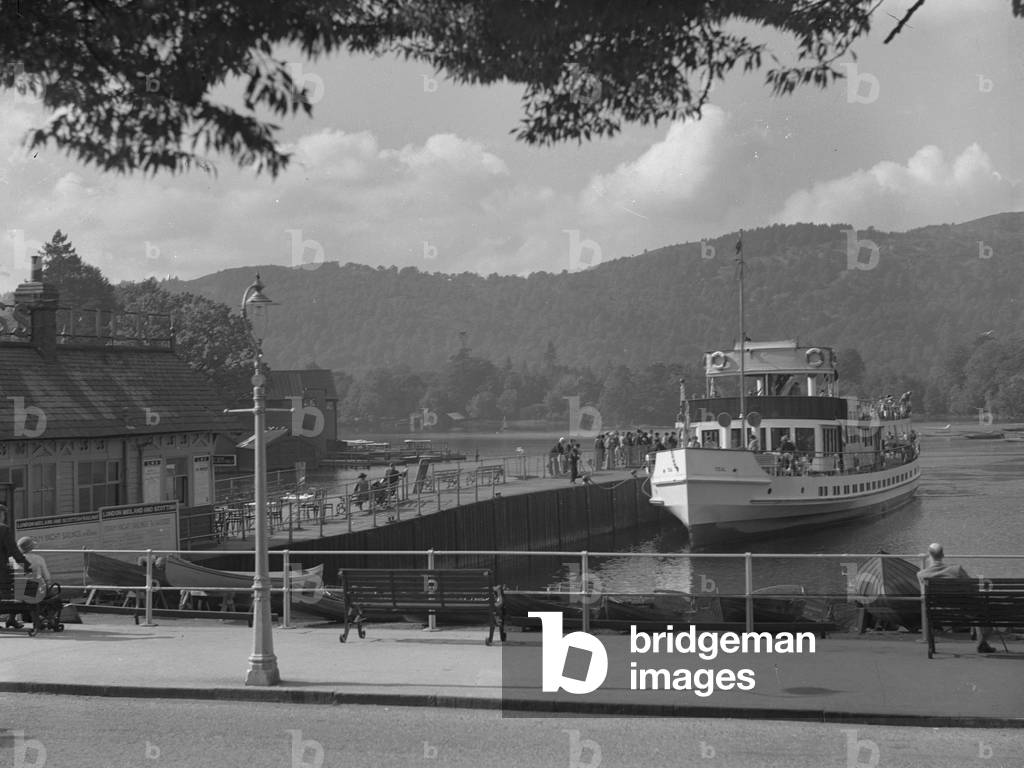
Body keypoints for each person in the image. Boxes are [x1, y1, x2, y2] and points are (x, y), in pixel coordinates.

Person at [917, 542, 996, 654]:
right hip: (964, 611)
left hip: (938, 613)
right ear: (943, 554)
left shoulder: (921, 575)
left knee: (977, 609)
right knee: (982, 609)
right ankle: (982, 643)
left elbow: (925, 596)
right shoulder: (956, 570)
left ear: (929, 555)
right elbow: (973, 588)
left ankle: (931, 647)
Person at [1, 504, 32, 628]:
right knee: (15, 591)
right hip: (1, 574)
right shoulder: (3, 529)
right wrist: (26, 566)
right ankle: (11, 619)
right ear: (1, 515)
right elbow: (14, 551)